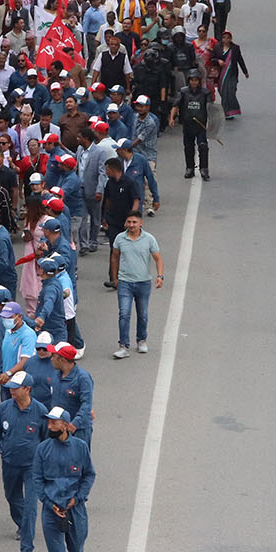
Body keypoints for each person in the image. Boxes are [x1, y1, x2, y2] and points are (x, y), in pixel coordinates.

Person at [0, 372, 48, 552]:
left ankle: (27, 548)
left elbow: (46, 441)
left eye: (16, 388)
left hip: (32, 467)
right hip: (10, 463)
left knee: (31, 506)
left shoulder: (40, 411)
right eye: (10, 387)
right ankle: (22, 524)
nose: (11, 390)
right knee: (12, 497)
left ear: (27, 389)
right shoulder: (4, 409)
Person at [33, 406, 95, 552]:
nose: (50, 426)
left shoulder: (80, 447)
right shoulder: (42, 449)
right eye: (49, 422)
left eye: (54, 422)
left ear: (66, 425)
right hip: (52, 510)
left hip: (75, 508)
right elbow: (37, 480)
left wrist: (78, 498)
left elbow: (89, 475)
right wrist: (49, 503)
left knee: (76, 548)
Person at [109, 213, 163, 358]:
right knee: (124, 314)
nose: (131, 225)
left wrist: (160, 276)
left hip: (143, 283)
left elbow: (158, 258)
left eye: (134, 222)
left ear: (141, 223)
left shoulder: (149, 239)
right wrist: (115, 278)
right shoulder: (120, 238)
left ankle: (141, 340)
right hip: (125, 282)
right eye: (129, 222)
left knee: (143, 314)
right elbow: (114, 257)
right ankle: (123, 346)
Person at [170, 72, 212, 180]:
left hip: (201, 125)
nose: (194, 82)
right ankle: (190, 168)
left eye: (196, 80)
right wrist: (171, 118)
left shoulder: (205, 93)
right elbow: (175, 105)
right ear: (189, 81)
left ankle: (204, 169)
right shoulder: (183, 92)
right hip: (188, 125)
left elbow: (211, 109)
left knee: (203, 146)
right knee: (188, 147)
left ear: (199, 81)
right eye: (192, 80)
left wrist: (213, 124)